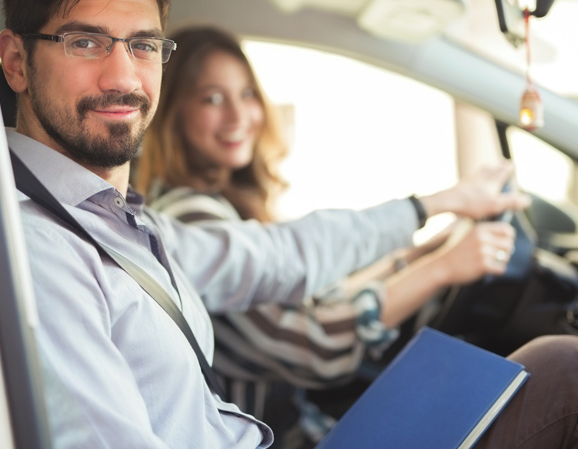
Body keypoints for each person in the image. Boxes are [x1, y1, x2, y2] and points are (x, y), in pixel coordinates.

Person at [0, 0, 578, 447]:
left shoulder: (122, 223)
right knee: (570, 372)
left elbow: (284, 255)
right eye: (85, 42)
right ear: (17, 62)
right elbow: (312, 340)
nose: (123, 75)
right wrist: (440, 263)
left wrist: (434, 208)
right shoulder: (37, 245)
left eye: (142, 45)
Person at [132, 24, 533, 448]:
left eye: (247, 93)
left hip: (303, 428)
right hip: (283, 439)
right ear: (173, 111)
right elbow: (316, 347)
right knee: (559, 366)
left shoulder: (215, 204)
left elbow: (318, 297)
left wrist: (419, 254)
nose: (239, 115)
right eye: (213, 98)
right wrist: (442, 268)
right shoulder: (192, 218)